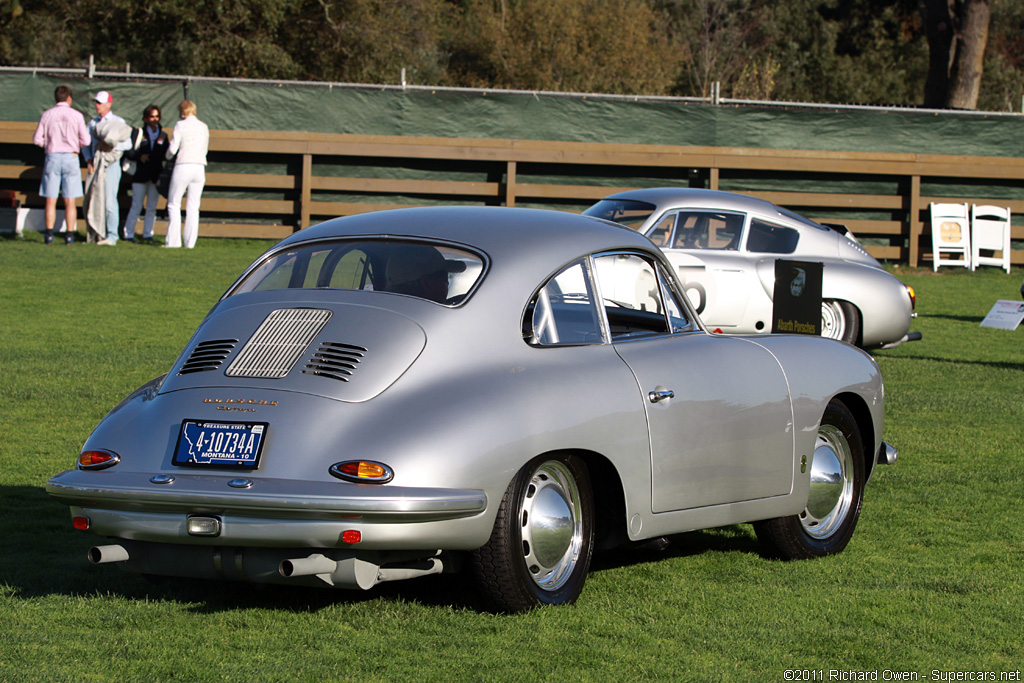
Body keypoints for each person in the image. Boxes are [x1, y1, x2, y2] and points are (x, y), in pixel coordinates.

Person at [32, 85, 91, 245]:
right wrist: (75, 145)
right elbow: (86, 140)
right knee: (70, 200)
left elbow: (37, 139)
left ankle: (49, 234)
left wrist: (49, 143)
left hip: (52, 156)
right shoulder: (77, 115)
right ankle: (69, 235)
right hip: (71, 157)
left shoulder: (47, 114)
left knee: (50, 199)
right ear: (69, 98)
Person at [81, 91, 132, 245]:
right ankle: (94, 234)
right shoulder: (92, 123)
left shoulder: (118, 121)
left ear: (109, 104)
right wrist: (88, 159)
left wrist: (110, 144)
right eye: (96, 102)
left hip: (111, 165)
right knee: (91, 199)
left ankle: (112, 236)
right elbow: (86, 144)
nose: (97, 106)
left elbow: (128, 144)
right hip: (95, 165)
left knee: (110, 201)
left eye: (100, 103)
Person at [120, 105, 169, 242]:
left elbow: (166, 154)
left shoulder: (163, 135)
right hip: (140, 175)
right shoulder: (138, 133)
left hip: (155, 175)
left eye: (157, 116)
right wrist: (139, 157)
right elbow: (128, 151)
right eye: (151, 116)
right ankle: (128, 233)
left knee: (152, 207)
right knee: (136, 205)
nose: (154, 119)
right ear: (145, 118)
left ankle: (148, 233)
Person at [164, 100, 209, 249]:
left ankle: (173, 242)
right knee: (193, 206)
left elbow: (173, 148)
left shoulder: (180, 125)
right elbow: (205, 149)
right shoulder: (203, 127)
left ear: (183, 112)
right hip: (199, 167)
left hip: (183, 165)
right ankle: (190, 243)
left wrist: (167, 156)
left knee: (174, 203)